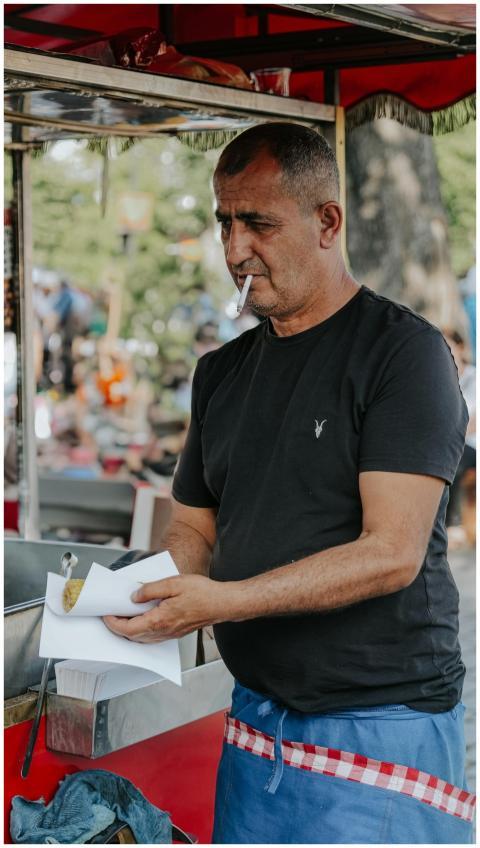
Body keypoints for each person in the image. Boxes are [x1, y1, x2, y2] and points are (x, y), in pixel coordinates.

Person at [104, 123, 474, 843]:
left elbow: (391, 552)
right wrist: (130, 599)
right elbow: (193, 532)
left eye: (259, 224)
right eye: (225, 223)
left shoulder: (404, 355)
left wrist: (226, 602)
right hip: (255, 724)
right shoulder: (221, 373)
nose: (236, 249)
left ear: (327, 222)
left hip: (381, 724)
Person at [443, 328, 476, 544]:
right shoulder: (442, 381)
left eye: (449, 347)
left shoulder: (475, 378)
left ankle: (452, 522)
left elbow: (472, 424)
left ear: (461, 348)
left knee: (454, 456)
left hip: (471, 445)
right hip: (451, 443)